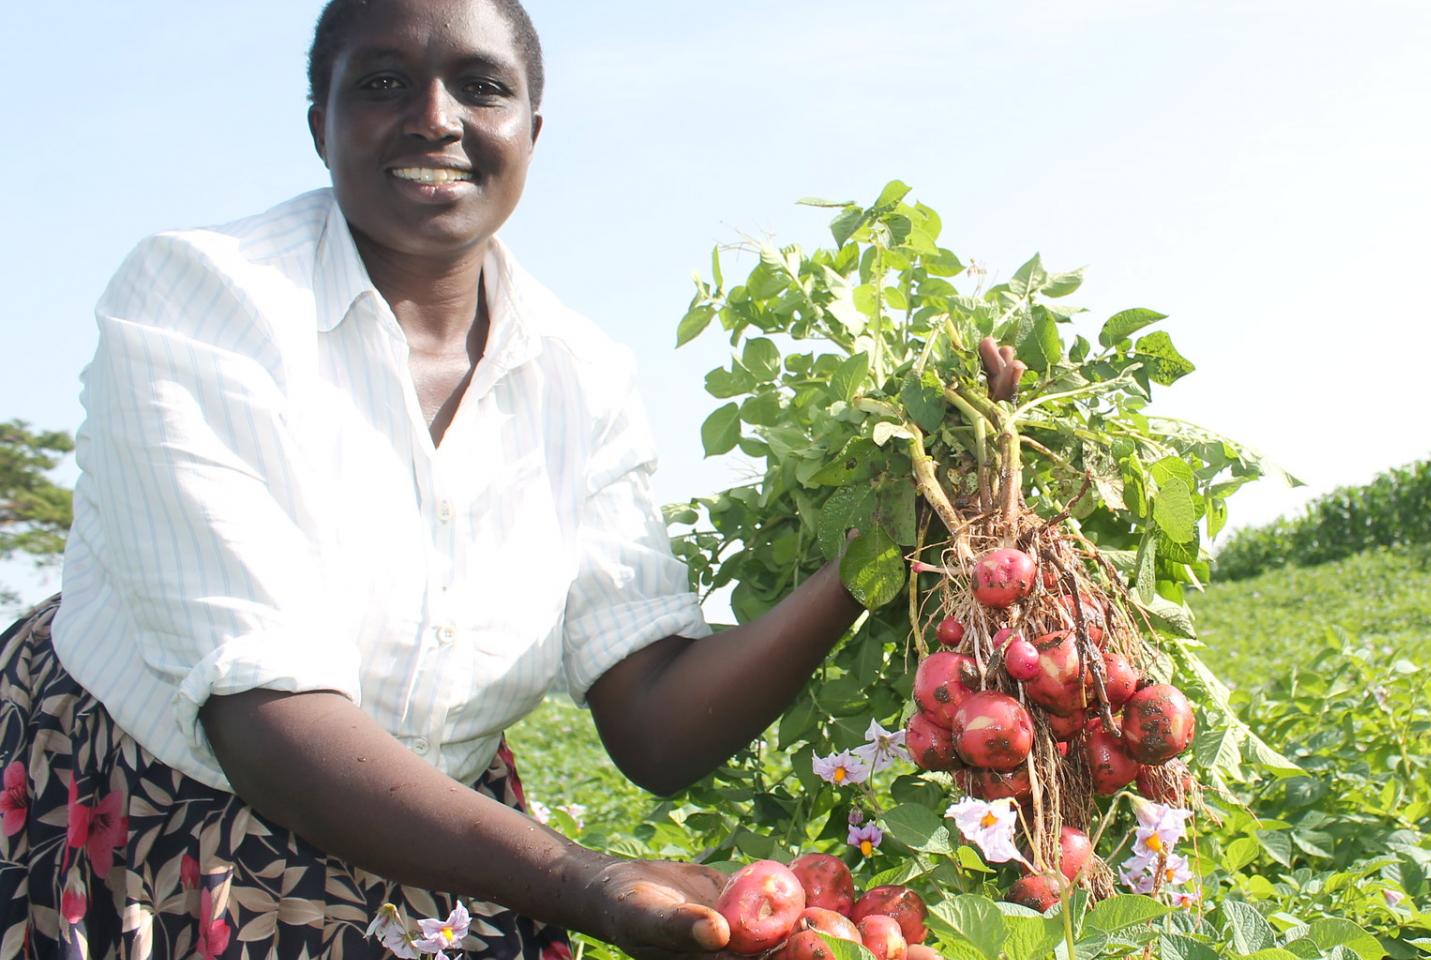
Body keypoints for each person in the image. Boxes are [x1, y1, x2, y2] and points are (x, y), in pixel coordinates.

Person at [0, 0, 863, 957]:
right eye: (380, 84)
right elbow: (263, 719)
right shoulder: (204, 299)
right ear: (318, 124)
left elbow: (654, 718)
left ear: (530, 131)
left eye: (482, 87)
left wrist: (867, 569)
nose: (435, 119)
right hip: (156, 817)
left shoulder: (581, 375)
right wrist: (593, 882)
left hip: (453, 848)